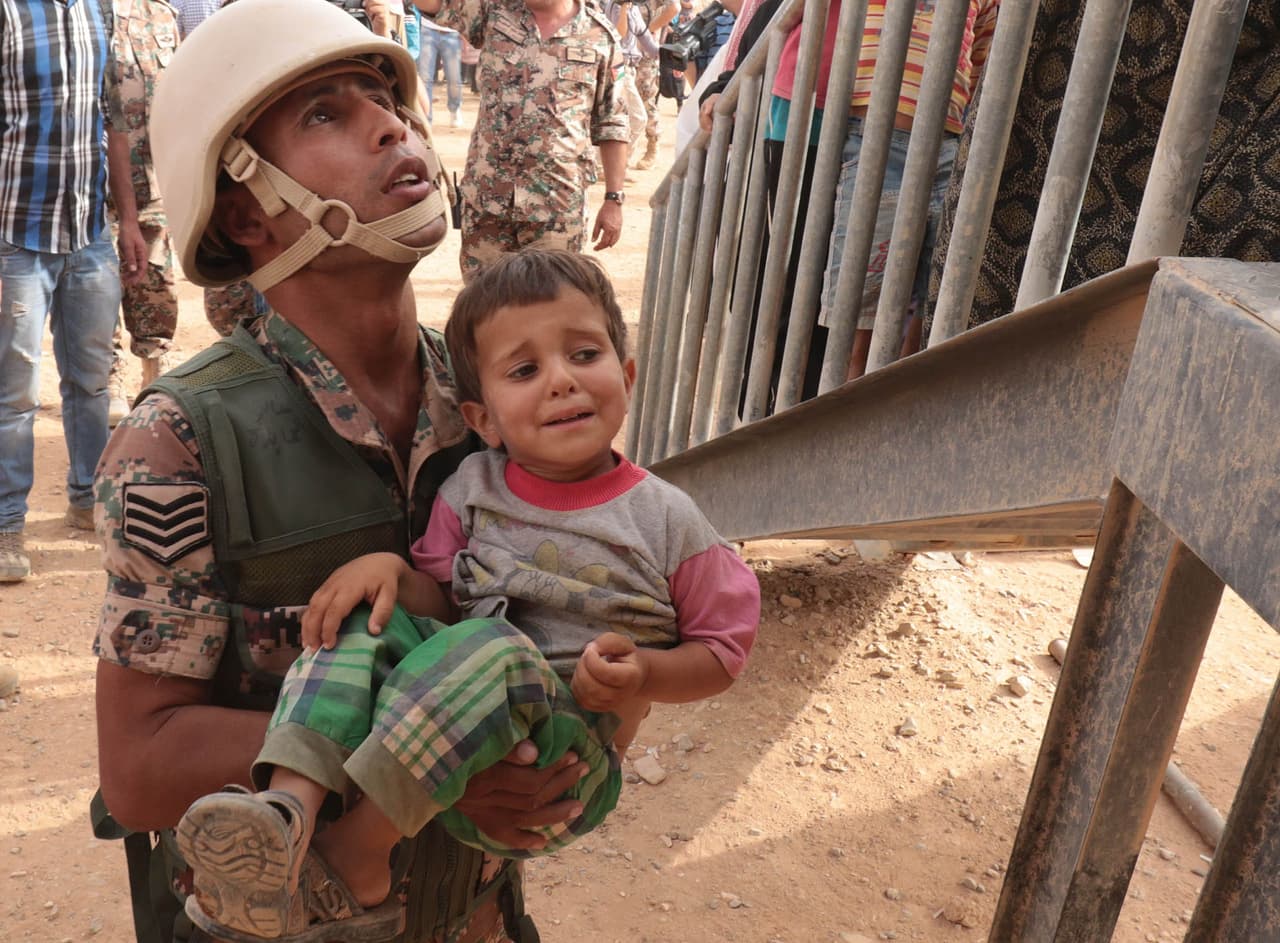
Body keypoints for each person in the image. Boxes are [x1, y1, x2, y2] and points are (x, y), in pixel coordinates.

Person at [92, 2, 584, 941]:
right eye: (325, 113)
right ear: (244, 209)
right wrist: (440, 761)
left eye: (381, 97)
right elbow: (142, 766)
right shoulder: (180, 438)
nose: (390, 124)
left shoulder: (492, 405)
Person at [174, 248, 760, 940]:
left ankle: (359, 854)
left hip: (563, 760)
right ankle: (285, 812)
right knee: (371, 619)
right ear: (482, 417)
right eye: (525, 370)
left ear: (626, 375)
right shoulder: (470, 492)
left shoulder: (667, 518)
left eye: (584, 353)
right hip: (451, 732)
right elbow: (443, 607)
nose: (562, 382)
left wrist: (647, 672)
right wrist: (392, 575)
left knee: (493, 648)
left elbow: (724, 647)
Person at [0, 0, 121, 583]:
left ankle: (88, 501)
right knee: (16, 390)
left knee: (92, 379)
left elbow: (112, 119)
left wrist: (124, 217)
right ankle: (5, 525)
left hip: (89, 232)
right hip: (15, 234)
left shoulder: (100, 9)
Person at [417, 0, 630, 281]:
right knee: (483, 306)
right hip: (488, 202)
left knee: (552, 304)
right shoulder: (494, 12)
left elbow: (612, 123)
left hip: (557, 206)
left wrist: (614, 199)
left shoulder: (601, 38)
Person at [105, 0, 182, 427]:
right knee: (100, 285)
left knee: (155, 281)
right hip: (97, 180)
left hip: (153, 179)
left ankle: (155, 374)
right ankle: (109, 379)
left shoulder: (161, 14)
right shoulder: (85, 11)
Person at [629, 0, 678, 170]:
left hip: (644, 50)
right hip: (622, 47)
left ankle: (652, 143)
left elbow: (674, 7)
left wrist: (648, 30)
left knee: (646, 98)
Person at [605, 0, 655, 164]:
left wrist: (670, 55)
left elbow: (647, 40)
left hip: (630, 69)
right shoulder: (613, 6)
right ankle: (618, 163)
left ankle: (613, 164)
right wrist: (625, 8)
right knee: (637, 118)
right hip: (618, 68)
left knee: (620, 118)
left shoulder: (634, 9)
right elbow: (618, 34)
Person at [416, 12, 467, 128]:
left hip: (452, 32)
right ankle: (426, 117)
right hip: (427, 29)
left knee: (454, 77)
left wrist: (464, 35)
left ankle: (455, 109)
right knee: (425, 78)